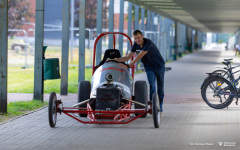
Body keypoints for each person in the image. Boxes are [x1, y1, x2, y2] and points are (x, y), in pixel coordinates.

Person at [109, 30, 165, 116]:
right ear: (134, 39)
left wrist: (129, 65)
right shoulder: (135, 45)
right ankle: (154, 108)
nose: (137, 40)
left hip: (159, 66)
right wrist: (113, 60)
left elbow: (139, 56)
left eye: (139, 38)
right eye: (135, 39)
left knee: (160, 89)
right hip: (149, 67)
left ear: (142, 36)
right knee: (152, 86)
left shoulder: (148, 43)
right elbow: (127, 58)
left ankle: (160, 108)